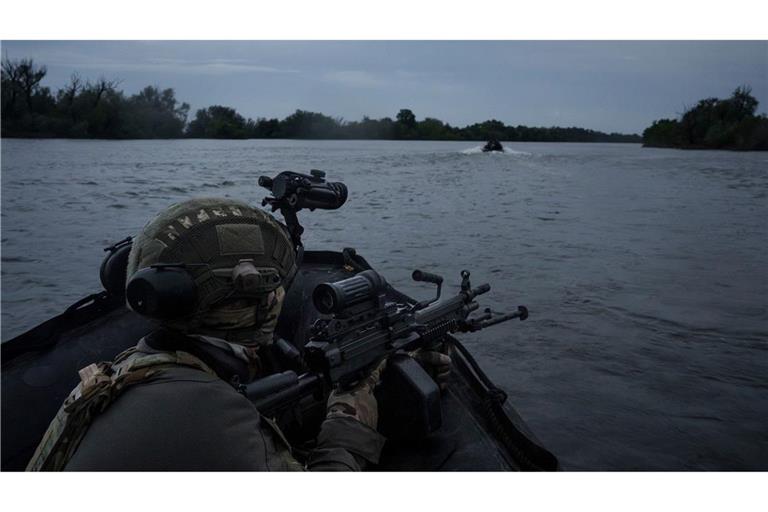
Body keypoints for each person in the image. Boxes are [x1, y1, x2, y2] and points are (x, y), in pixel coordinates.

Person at [27, 197, 407, 471]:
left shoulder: (138, 366)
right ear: (257, 296)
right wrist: (349, 411)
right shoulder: (203, 407)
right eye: (276, 284)